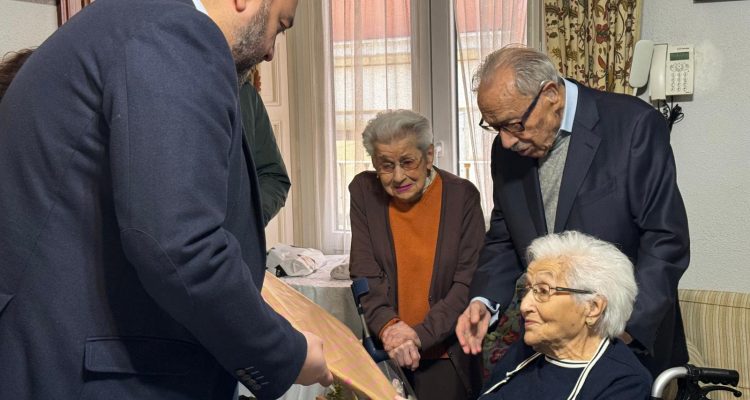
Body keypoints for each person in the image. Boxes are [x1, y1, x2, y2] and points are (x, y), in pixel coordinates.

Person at [0, 0, 333, 399]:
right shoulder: (178, 33)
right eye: (280, 26)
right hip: (104, 377)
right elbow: (179, 244)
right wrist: (286, 353)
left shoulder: (125, 22)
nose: (270, 51)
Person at [455, 45, 690, 378]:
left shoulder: (633, 125)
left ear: (551, 94)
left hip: (626, 343)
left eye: (514, 125)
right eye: (495, 128)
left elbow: (666, 239)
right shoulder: (507, 151)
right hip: (552, 342)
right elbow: (504, 237)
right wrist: (484, 300)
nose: (506, 141)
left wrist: (625, 330)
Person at [349, 109, 485, 399]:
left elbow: (466, 283)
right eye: (386, 165)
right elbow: (364, 273)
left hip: (445, 351)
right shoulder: (364, 191)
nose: (398, 176)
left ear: (430, 155)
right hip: (386, 347)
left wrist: (418, 335)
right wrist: (389, 328)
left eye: (407, 162)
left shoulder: (462, 197)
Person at [479, 231, 652, 399]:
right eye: (527, 290)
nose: (524, 306)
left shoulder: (624, 383)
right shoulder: (527, 351)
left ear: (592, 308)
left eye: (543, 291)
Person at [239, 80, 291, 226]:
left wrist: (249, 220)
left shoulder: (246, 93)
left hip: (238, 244)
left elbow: (274, 177)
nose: (269, 56)